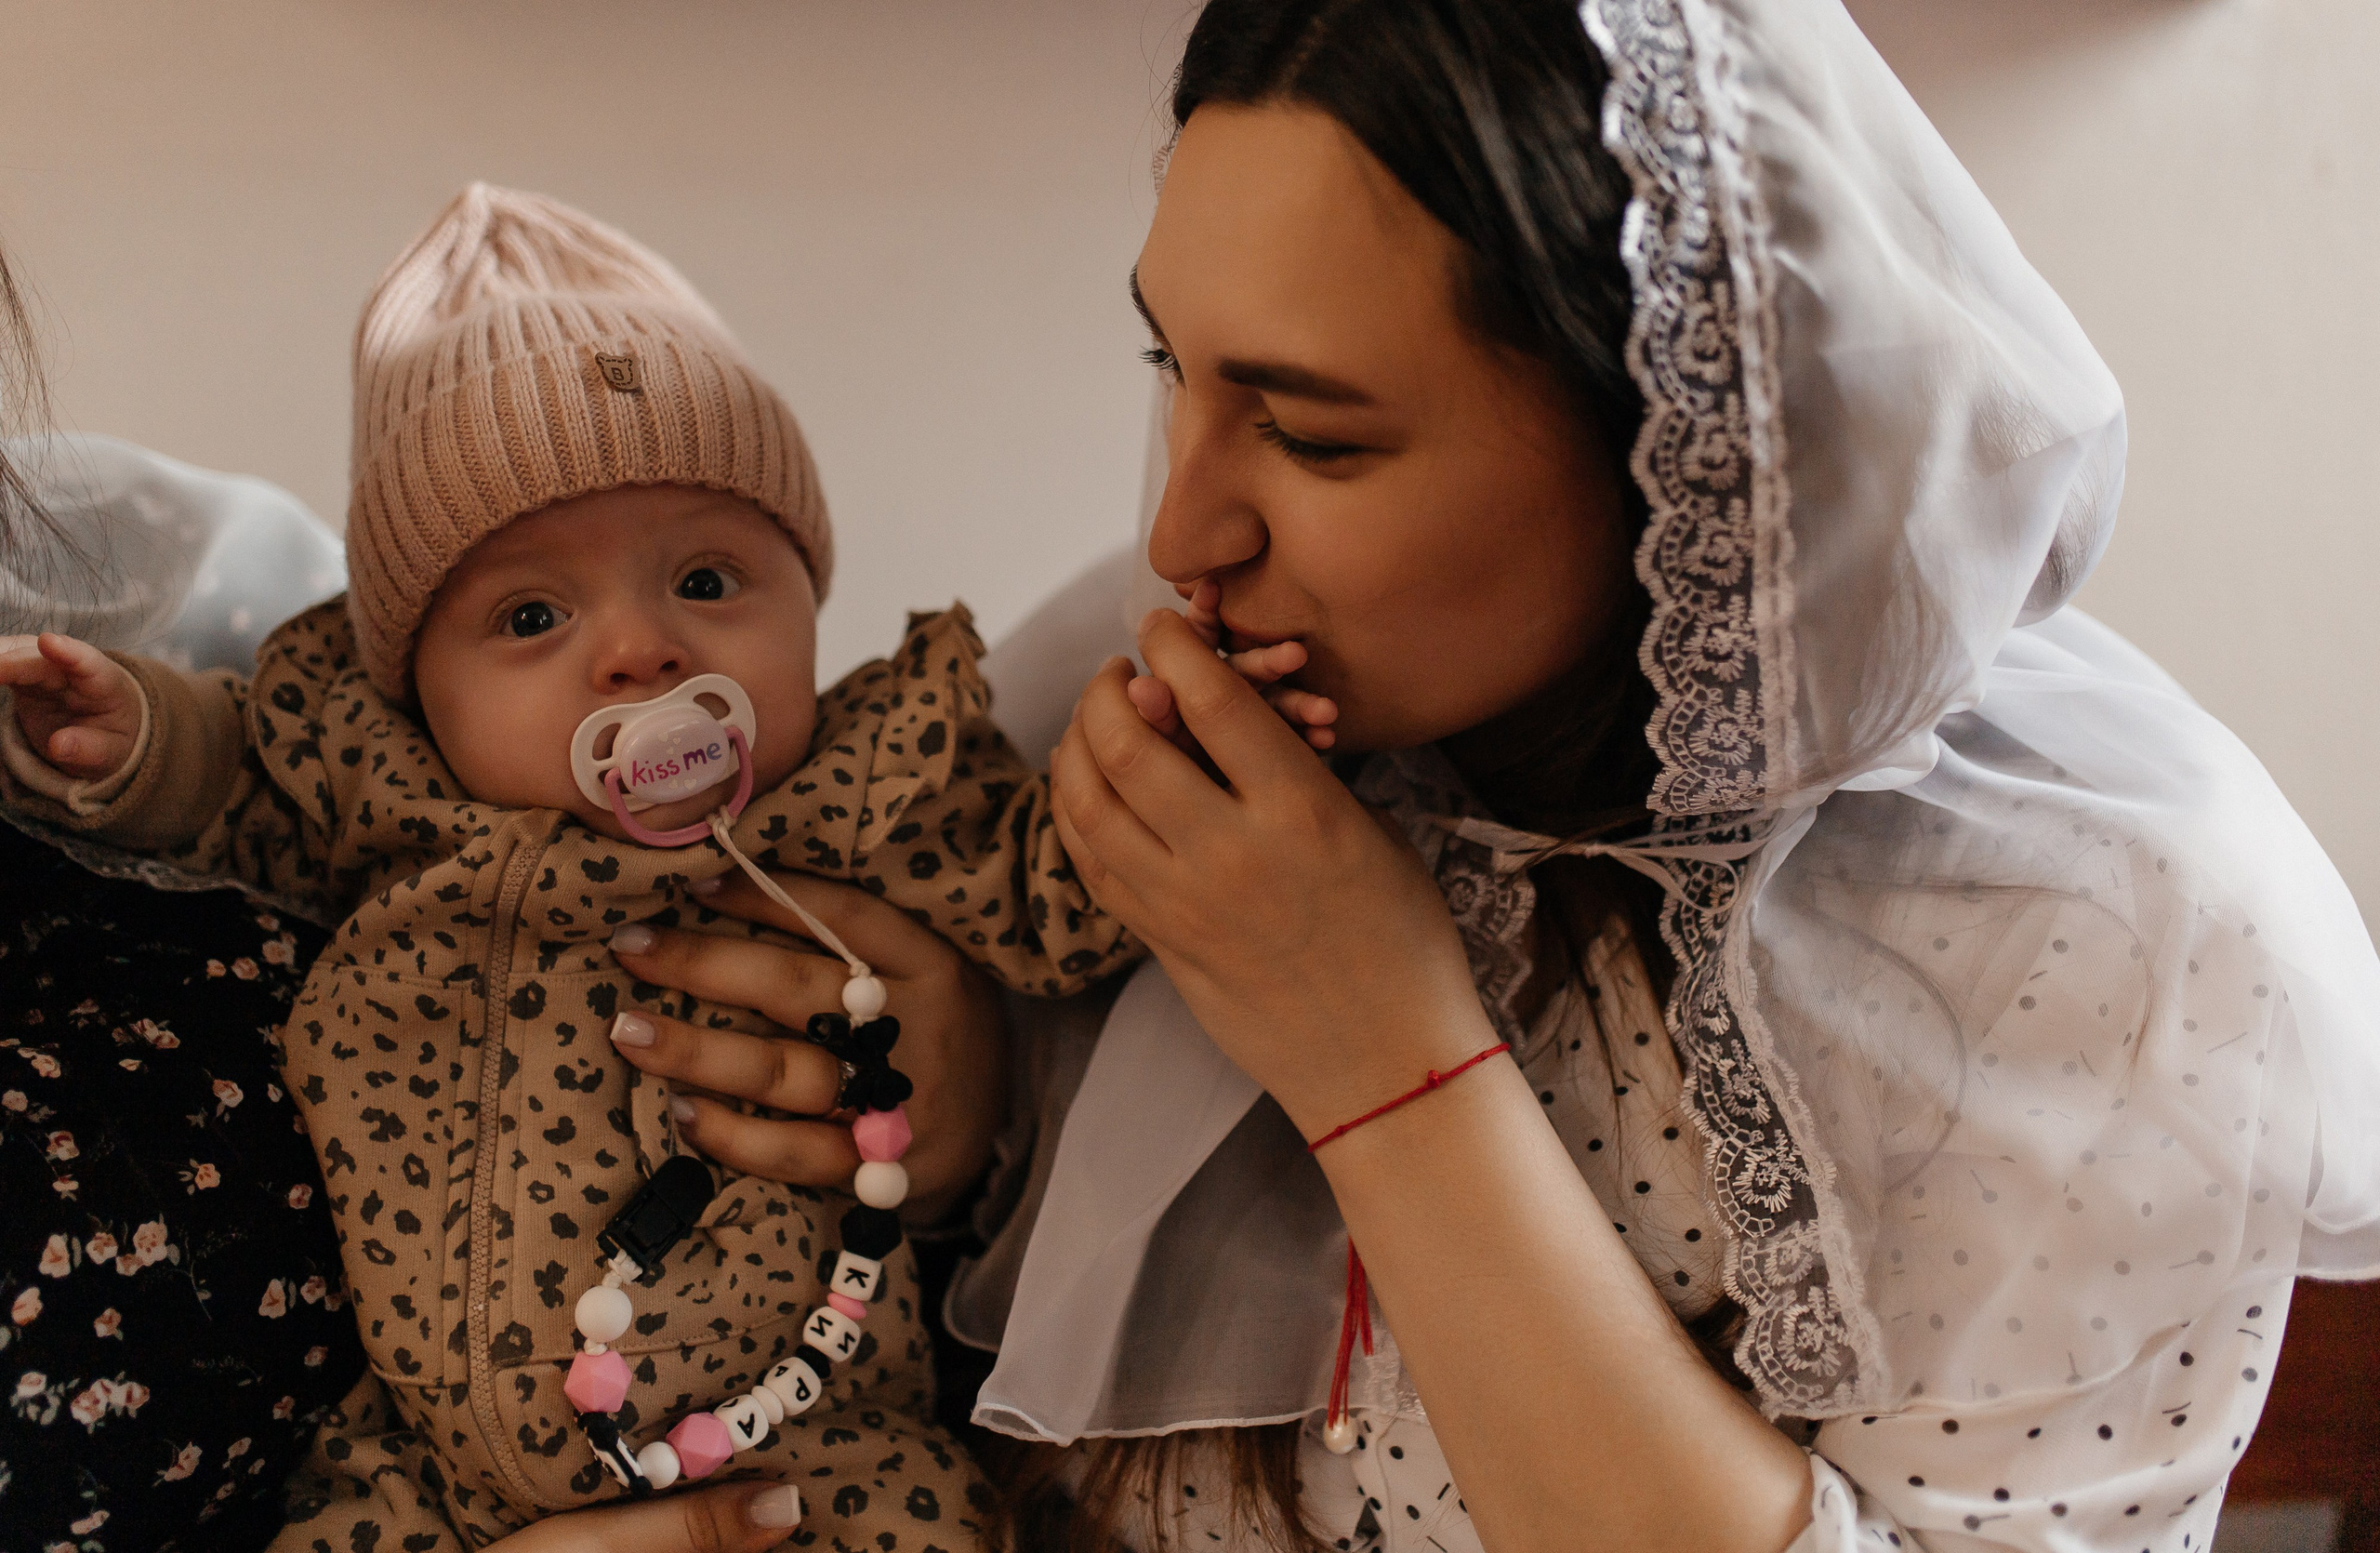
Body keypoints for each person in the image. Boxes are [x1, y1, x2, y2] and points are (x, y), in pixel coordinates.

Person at [940, 2, 2380, 1551]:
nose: (1182, 534)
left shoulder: (2090, 934)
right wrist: (953, 1101)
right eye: (1174, 364)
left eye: (1308, 433)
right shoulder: (1193, 709)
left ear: (1678, 441)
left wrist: (1377, 1052)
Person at [0, 182, 1157, 1548]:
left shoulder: (866, 790)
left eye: (710, 581)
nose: (641, 651)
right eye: (533, 614)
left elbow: (1051, 890)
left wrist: (1143, 765)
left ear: (810, 599)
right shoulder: (388, 801)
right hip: (431, 1470)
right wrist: (140, 739)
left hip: (815, 1441)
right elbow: (241, 785)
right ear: (415, 691)